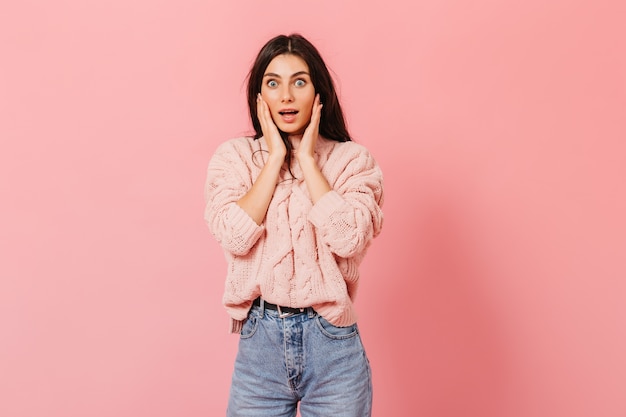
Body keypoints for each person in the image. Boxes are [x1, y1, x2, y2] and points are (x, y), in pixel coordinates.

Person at [204, 33, 384, 417]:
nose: (286, 96)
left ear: (319, 93)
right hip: (260, 347)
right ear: (259, 97)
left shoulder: (353, 161)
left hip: (333, 345)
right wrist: (273, 161)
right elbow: (234, 236)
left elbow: (349, 239)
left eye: (299, 81)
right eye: (273, 83)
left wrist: (306, 160)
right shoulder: (235, 158)